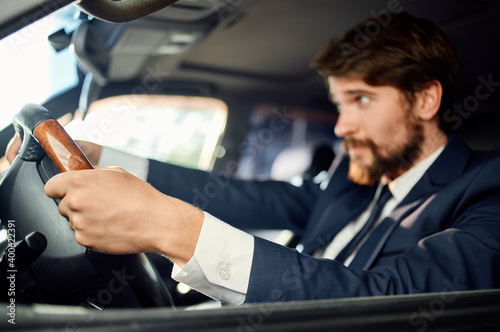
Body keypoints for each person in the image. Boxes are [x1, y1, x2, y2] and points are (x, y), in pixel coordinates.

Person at [6, 12, 500, 304]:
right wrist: (99, 159)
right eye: (339, 104)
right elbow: (246, 198)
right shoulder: (354, 185)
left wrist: (171, 229)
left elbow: (389, 301)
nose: (343, 126)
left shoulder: (486, 191)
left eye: (362, 101)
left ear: (426, 101)